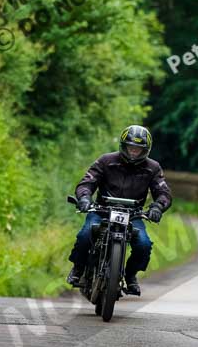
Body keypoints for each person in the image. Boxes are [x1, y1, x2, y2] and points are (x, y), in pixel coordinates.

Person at [67, 125, 172, 296]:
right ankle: (78, 268)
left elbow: (163, 192)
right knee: (86, 234)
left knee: (144, 245)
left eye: (138, 149)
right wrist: (85, 198)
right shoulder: (106, 161)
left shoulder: (153, 168)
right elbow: (87, 182)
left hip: (133, 215)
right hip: (102, 210)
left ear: (145, 150)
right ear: (123, 146)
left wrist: (158, 206)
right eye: (131, 147)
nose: (133, 152)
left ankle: (130, 276)